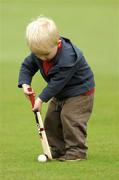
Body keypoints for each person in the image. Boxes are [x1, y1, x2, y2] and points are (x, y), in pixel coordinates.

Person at [18, 16, 95, 161]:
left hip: (80, 92)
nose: (42, 58)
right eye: (38, 55)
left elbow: (57, 83)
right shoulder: (41, 52)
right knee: (51, 119)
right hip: (62, 93)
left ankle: (76, 150)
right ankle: (58, 149)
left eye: (46, 54)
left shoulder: (68, 57)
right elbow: (27, 66)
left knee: (70, 118)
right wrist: (25, 83)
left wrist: (40, 99)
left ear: (58, 43)